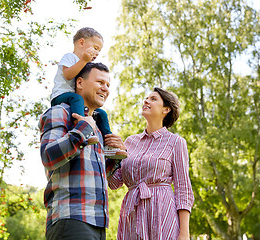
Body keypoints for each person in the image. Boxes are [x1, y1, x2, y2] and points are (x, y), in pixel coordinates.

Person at [39, 62, 126, 240]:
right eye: (100, 82)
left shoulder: (98, 127)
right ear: (79, 83)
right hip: (71, 219)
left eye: (108, 85)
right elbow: (48, 156)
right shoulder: (60, 112)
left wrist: (116, 157)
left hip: (98, 224)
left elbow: (104, 177)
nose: (105, 88)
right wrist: (81, 130)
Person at [108, 87, 194, 240]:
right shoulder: (130, 142)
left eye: (153, 99)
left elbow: (183, 189)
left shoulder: (176, 142)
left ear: (166, 109)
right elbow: (114, 183)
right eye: (146, 98)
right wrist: (115, 155)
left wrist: (184, 234)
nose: (146, 100)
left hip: (162, 215)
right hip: (132, 215)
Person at [50, 26, 126, 159]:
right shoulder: (70, 57)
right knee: (77, 99)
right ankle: (80, 127)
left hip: (73, 99)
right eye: (95, 48)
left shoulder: (84, 66)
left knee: (101, 113)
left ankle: (109, 144)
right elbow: (68, 75)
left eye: (99, 51)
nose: (97, 53)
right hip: (61, 96)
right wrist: (84, 60)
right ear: (81, 43)